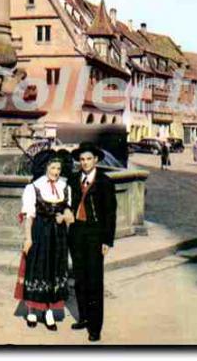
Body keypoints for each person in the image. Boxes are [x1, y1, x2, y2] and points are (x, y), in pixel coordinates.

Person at [14, 153, 74, 331]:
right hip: (39, 233)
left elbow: (70, 216)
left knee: (54, 270)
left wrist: (63, 217)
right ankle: (32, 310)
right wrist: (28, 238)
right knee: (38, 269)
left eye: (58, 169)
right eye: (53, 168)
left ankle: (49, 312)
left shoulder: (65, 187)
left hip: (58, 236)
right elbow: (29, 216)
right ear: (46, 168)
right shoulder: (34, 187)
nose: (56, 172)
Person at [68, 142, 117, 343]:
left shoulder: (105, 182)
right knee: (79, 278)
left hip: (96, 234)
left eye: (88, 159)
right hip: (77, 233)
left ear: (95, 160)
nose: (85, 162)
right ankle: (84, 317)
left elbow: (110, 213)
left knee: (94, 280)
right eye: (82, 159)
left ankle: (95, 327)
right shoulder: (73, 179)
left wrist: (107, 240)